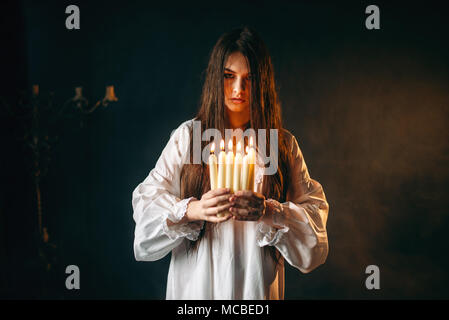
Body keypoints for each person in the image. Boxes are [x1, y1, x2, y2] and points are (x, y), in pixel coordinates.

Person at [132, 26, 329, 299]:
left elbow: (314, 244)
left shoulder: (280, 145)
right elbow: (145, 219)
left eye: (250, 78)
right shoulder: (189, 137)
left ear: (263, 83)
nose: (239, 88)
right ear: (215, 77)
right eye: (229, 76)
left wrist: (269, 212)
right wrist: (193, 210)